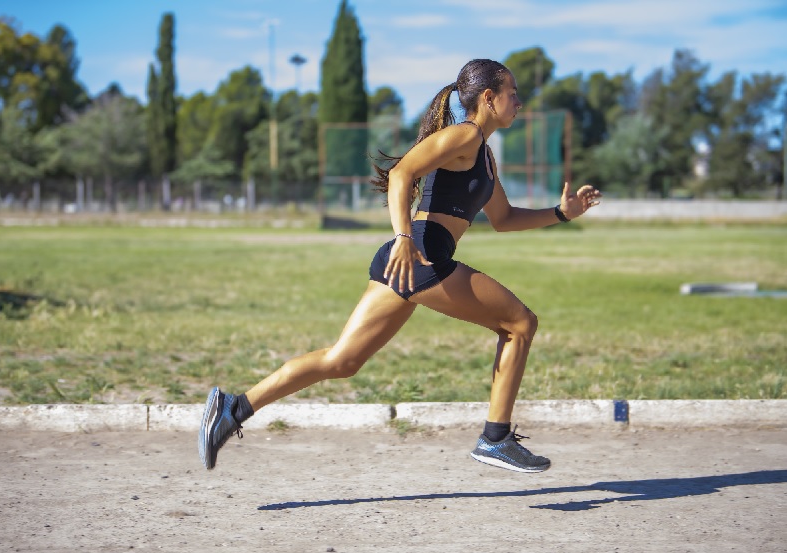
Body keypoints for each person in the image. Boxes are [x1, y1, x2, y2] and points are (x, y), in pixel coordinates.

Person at [199, 59, 602, 473]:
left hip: (411, 261)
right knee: (520, 324)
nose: (519, 101)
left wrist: (561, 213)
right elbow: (401, 174)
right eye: (512, 92)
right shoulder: (462, 135)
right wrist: (405, 239)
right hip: (420, 253)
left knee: (342, 361)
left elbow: (504, 219)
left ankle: (232, 409)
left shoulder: (484, 156)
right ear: (488, 98)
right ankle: (495, 438)